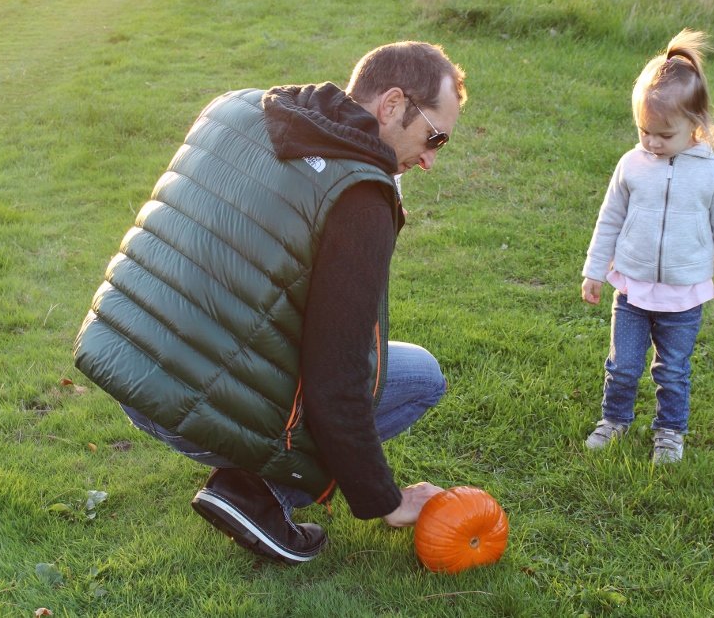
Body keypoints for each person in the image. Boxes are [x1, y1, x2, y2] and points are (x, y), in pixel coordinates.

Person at [73, 41, 466, 563]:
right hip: (191, 407)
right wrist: (384, 500)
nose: (431, 158)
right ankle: (258, 494)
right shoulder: (361, 197)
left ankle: (252, 477)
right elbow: (337, 377)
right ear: (392, 105)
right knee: (419, 377)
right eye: (433, 136)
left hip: (125, 363)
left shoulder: (235, 105)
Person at [580, 29, 714, 463]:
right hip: (632, 290)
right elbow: (610, 217)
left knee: (672, 371)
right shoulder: (632, 164)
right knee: (623, 366)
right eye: (643, 131)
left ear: (697, 126)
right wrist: (595, 270)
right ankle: (614, 419)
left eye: (663, 134)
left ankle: (669, 431)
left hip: (684, 296)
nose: (651, 142)